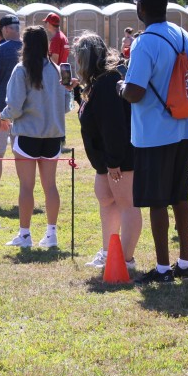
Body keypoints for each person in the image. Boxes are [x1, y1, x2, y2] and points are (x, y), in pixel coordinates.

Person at [119, 0, 188, 284]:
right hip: (185, 128)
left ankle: (163, 268)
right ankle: (186, 263)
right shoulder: (185, 37)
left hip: (154, 133)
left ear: (140, 7)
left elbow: (135, 92)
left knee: (156, 201)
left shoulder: (144, 42)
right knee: (180, 196)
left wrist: (120, 87)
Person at [73, 33, 140, 270]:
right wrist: (77, 91)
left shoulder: (107, 82)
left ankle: (126, 260)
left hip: (120, 157)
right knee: (106, 198)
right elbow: (93, 114)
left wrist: (114, 162)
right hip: (106, 158)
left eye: (78, 57)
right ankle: (108, 252)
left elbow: (114, 126)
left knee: (127, 204)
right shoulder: (98, 82)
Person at [0, 26, 66, 248]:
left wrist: (2, 117)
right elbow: (66, 106)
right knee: (50, 186)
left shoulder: (21, 69)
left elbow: (14, 107)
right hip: (52, 137)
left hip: (27, 135)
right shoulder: (57, 69)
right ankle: (51, 234)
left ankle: (25, 235)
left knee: (26, 187)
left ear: (25, 45)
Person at [0, 14, 22, 209]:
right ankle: (24, 196)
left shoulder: (0, 49)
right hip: (24, 111)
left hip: (1, 109)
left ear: (5, 29)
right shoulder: (28, 47)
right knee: (22, 156)